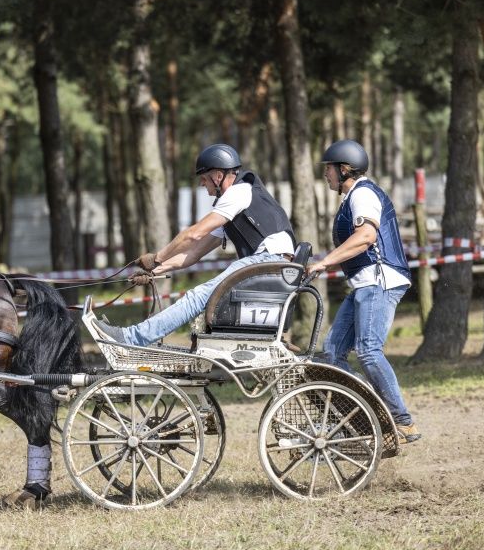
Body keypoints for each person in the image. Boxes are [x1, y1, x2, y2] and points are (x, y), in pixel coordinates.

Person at [95, 143, 295, 346]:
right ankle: (135, 337)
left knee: (197, 297)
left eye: (204, 177)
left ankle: (131, 338)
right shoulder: (233, 206)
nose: (202, 183)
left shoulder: (238, 193)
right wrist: (155, 270)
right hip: (270, 261)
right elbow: (194, 253)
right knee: (198, 297)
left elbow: (193, 234)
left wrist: (157, 257)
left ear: (218, 176)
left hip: (269, 259)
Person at [306, 139, 420, 443]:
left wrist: (324, 263)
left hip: (378, 280)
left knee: (368, 351)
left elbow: (367, 235)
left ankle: (402, 421)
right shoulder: (352, 197)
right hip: (363, 283)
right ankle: (366, 412)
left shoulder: (364, 193)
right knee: (332, 354)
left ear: (344, 169)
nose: (326, 175)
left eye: (329, 169)